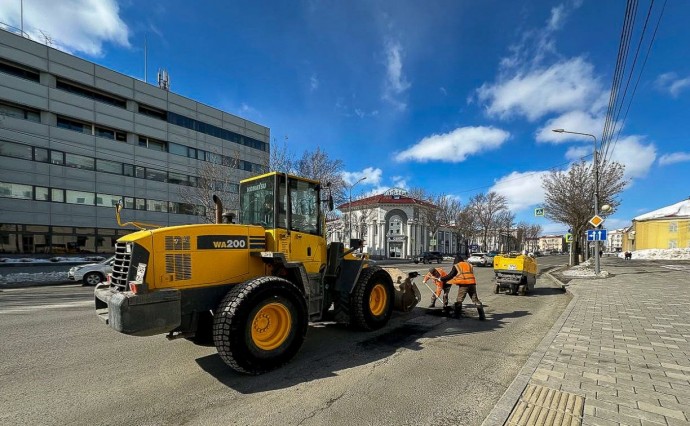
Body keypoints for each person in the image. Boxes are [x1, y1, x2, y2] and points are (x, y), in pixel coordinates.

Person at [440, 254, 486, 320]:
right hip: (472, 283)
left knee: (459, 300)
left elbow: (451, 275)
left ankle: (457, 316)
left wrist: (441, 279)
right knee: (475, 299)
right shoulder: (469, 265)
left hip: (464, 284)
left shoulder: (457, 265)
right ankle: (482, 316)